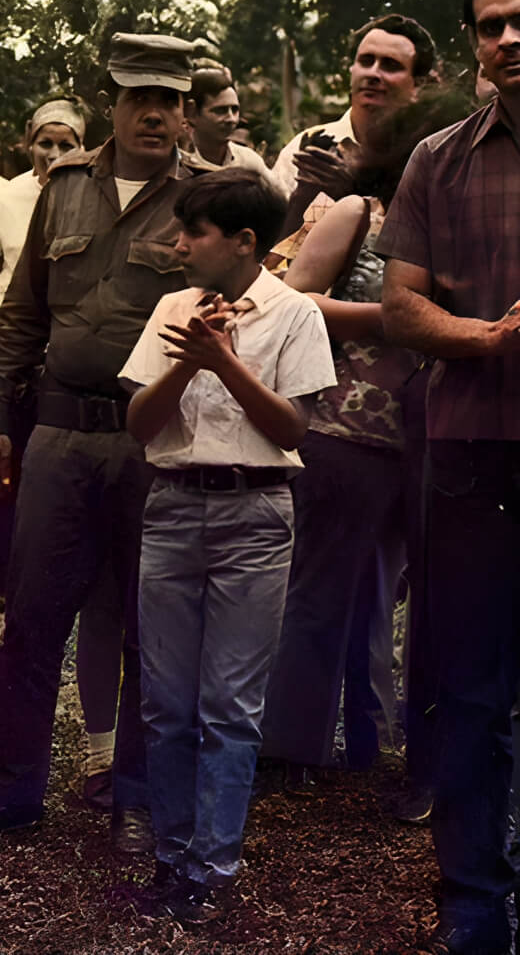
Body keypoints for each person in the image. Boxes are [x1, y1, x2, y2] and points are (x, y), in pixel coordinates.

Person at [0, 33, 206, 855]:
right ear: (113, 100)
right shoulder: (62, 188)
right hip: (60, 435)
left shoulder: (208, 197)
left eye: (171, 100)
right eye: (141, 97)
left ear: (186, 109)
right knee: (33, 615)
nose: (155, 114)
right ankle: (12, 791)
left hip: (157, 438)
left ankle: (134, 797)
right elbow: (23, 312)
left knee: (149, 624)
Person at [119, 168, 335, 923]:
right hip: (174, 509)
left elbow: (292, 428)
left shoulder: (293, 313)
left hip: (255, 514)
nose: (180, 246)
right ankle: (171, 857)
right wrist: (189, 358)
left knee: (230, 705)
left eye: (195, 234)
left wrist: (225, 362)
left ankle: (211, 866)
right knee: (168, 701)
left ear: (244, 242)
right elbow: (142, 425)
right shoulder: (174, 308)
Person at [376, 0, 520, 955]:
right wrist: (489, 340)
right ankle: (474, 901)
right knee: (470, 688)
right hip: (474, 456)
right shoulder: (438, 159)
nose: (509, 38)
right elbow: (399, 303)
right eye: (490, 26)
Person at [260, 93, 460, 793]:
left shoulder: (448, 227)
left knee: (394, 595)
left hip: (427, 438)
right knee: (318, 591)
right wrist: (395, 316)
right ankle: (289, 750)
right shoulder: (357, 211)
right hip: (344, 429)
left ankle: (375, 748)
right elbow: (295, 298)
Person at [0, 99, 85, 605]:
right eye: (45, 143)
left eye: (66, 144)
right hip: (12, 348)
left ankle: (56, 586)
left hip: (65, 350)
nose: (53, 154)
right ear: (27, 141)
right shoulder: (7, 196)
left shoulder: (88, 194)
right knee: (3, 463)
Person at [270, 14, 436, 228]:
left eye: (390, 65)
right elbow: (271, 251)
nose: (373, 73)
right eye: (366, 61)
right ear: (351, 70)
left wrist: (351, 198)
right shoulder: (304, 151)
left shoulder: (429, 157)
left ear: (419, 85)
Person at [185, 62, 268, 176]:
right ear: (192, 114)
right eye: (220, 111)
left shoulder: (249, 162)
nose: (231, 119)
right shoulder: (177, 165)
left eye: (234, 110)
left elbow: (281, 193)